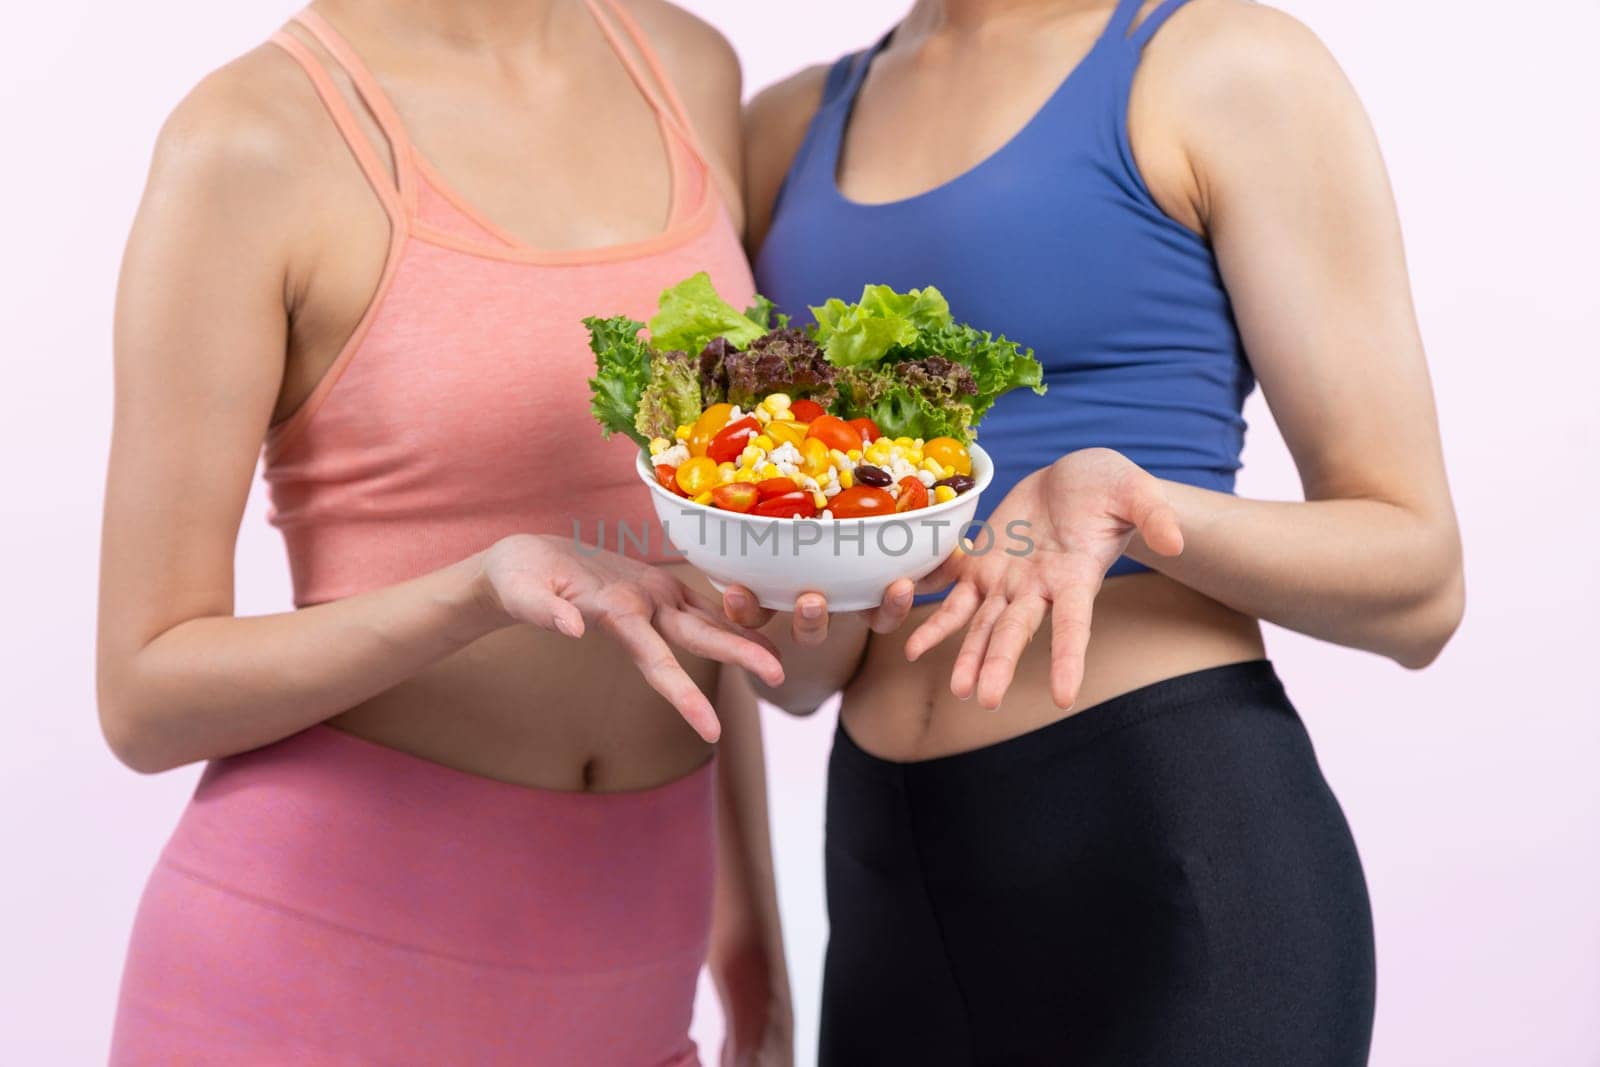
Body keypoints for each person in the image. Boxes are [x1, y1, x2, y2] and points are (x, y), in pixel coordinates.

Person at [728, 0, 1464, 1062]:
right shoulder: (785, 126)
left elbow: (1420, 585)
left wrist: (1131, 507)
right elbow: (797, 683)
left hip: (1167, 857)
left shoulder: (1212, 64)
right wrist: (795, 581)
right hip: (887, 874)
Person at [98, 1, 792, 1062]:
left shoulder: (686, 66)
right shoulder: (252, 138)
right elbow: (144, 696)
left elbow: (705, 586)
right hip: (315, 978)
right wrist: (473, 590)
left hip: (632, 986)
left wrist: (757, 960)